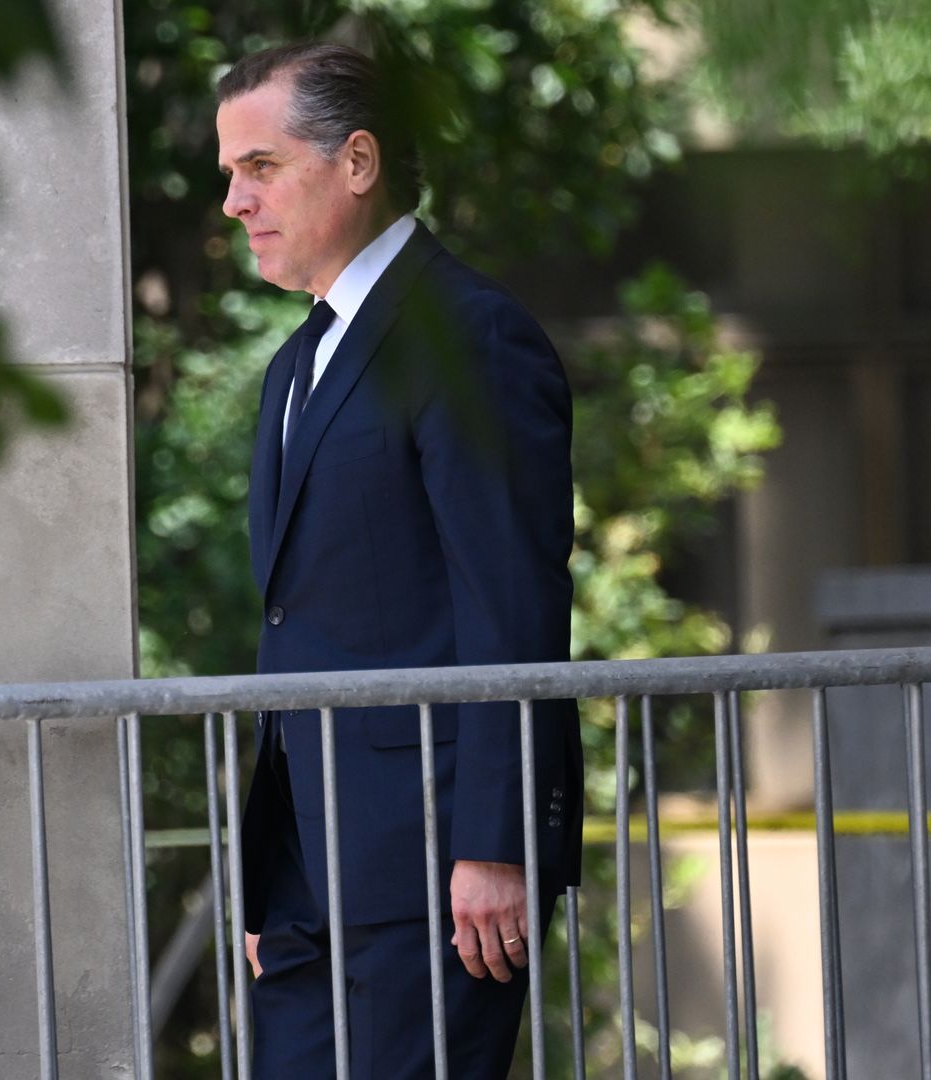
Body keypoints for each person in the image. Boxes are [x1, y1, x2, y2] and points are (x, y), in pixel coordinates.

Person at [217, 42, 582, 1079]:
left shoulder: (471, 336)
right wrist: (273, 870)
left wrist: (496, 844)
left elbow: (510, 601)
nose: (236, 202)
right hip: (306, 875)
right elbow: (300, 614)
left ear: (359, 162)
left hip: (433, 866)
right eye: (229, 175)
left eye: (260, 167)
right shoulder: (297, 363)